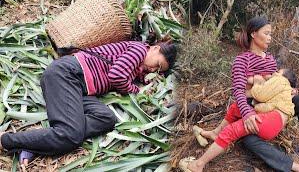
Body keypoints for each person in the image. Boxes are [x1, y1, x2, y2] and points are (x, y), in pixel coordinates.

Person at [0, 41, 178, 166]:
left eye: (158, 71)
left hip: (80, 89)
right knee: (70, 135)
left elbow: (133, 76)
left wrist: (150, 81)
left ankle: (42, 140)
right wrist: (136, 90)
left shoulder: (138, 67)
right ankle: (6, 141)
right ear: (154, 48)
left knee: (106, 118)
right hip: (67, 74)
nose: (154, 70)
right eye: (157, 64)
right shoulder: (139, 50)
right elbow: (116, 75)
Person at [186, 16, 299, 172]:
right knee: (249, 140)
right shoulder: (242, 60)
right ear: (253, 34)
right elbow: (238, 91)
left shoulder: (270, 60)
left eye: (271, 34)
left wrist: (289, 90)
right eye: (266, 33)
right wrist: (247, 114)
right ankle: (291, 166)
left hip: (274, 106)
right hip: (255, 108)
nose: (270, 38)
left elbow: (275, 85)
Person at [179, 69, 299, 172]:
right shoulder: (283, 93)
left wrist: (257, 82)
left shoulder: (281, 81)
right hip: (272, 121)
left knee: (231, 130)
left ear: (284, 77)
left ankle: (198, 165)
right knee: (237, 108)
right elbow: (263, 101)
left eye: (278, 72)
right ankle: (216, 133)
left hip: (272, 120)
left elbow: (260, 95)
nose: (274, 73)